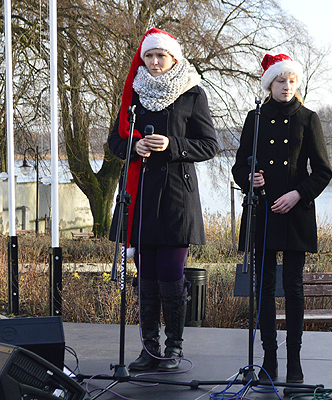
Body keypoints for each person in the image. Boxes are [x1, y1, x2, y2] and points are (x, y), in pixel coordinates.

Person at [108, 28, 219, 372]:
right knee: (147, 278)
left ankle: (172, 348)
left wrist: (174, 145)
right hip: (140, 197)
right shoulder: (134, 95)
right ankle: (149, 350)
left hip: (177, 198)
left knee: (171, 275)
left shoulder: (192, 93)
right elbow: (115, 141)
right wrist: (133, 148)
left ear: (174, 58)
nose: (155, 62)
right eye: (149, 56)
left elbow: (210, 145)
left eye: (161, 56)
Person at [232, 54, 332, 383]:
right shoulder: (255, 117)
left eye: (291, 81)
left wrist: (298, 194)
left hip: (295, 213)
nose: (286, 86)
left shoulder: (308, 118)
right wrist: (250, 177)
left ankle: (295, 361)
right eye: (280, 80)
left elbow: (322, 171)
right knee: (264, 288)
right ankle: (269, 359)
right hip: (262, 210)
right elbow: (238, 166)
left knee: (293, 286)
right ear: (269, 84)